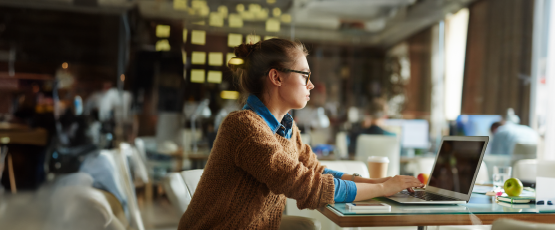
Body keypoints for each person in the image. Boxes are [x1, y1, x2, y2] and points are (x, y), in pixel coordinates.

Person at [178, 38, 423, 229]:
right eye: (305, 75)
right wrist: (383, 189)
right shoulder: (244, 126)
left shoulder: (286, 127)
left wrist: (381, 182)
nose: (311, 84)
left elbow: (316, 171)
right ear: (276, 77)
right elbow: (307, 186)